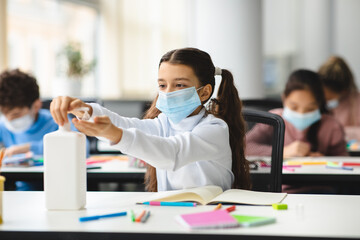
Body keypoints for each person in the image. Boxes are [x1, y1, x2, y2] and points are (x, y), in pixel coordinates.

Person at [50, 47, 251, 192]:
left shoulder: (215, 128)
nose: (167, 93)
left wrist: (116, 135)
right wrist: (83, 110)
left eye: (179, 85)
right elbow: (126, 125)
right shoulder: (164, 123)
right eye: (162, 85)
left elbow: (171, 152)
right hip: (170, 216)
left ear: (205, 92)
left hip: (211, 216)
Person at [246, 69, 348, 158]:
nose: (301, 114)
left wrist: (323, 160)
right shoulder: (273, 120)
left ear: (319, 104)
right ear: (284, 98)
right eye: (294, 107)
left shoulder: (332, 126)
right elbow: (244, 147)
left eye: (310, 108)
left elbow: (344, 161)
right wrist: (283, 152)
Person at [0, 69, 59, 157]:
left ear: (36, 106)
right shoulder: (3, 126)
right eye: (4, 114)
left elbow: (81, 146)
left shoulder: (56, 121)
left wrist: (29, 148)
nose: (9, 120)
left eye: (16, 114)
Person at [318, 56, 360, 142]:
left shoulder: (355, 103)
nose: (323, 97)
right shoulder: (315, 102)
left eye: (327, 95)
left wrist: (336, 132)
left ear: (343, 90)